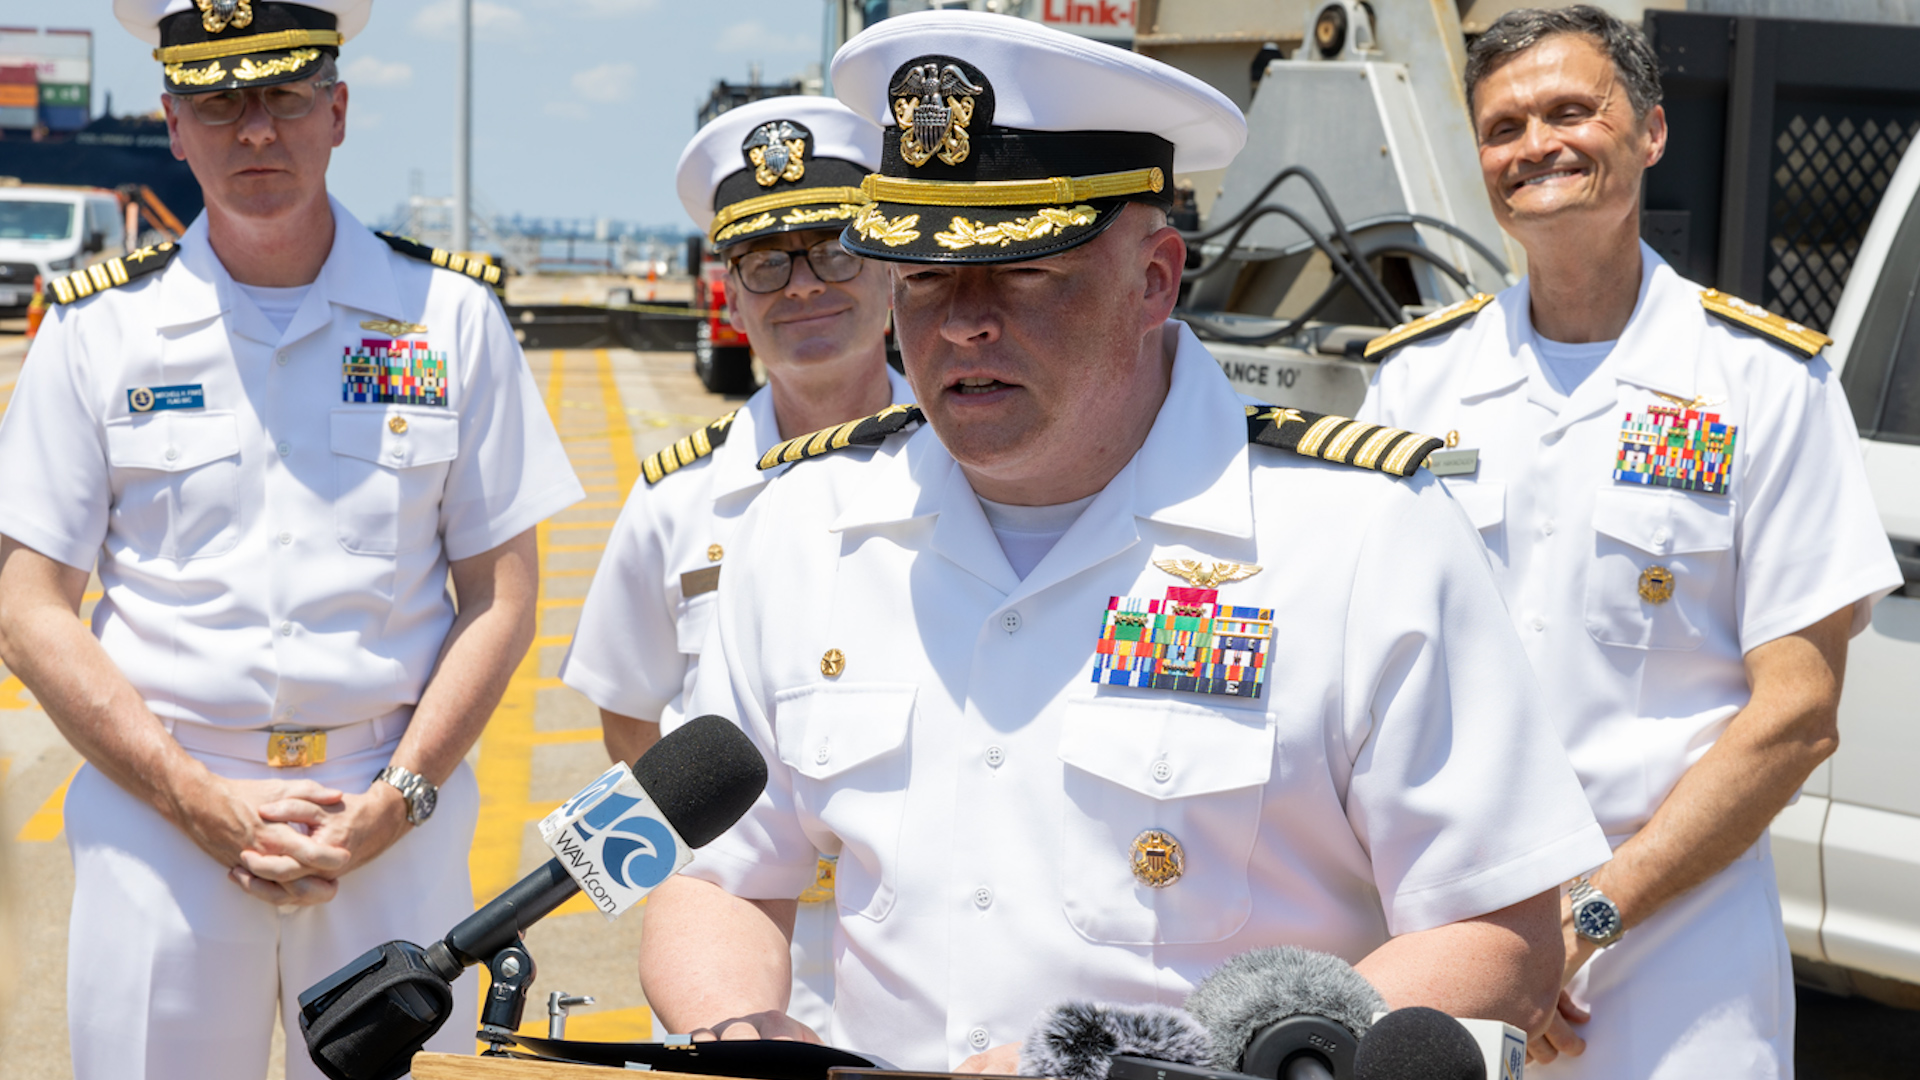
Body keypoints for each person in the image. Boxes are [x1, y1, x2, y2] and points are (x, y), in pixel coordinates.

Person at [636, 11, 1612, 1070]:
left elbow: (1496, 933)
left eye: (1021, 274)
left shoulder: (1365, 535)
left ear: (1154, 277)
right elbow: (713, 879)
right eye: (921, 277)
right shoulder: (801, 528)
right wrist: (741, 1035)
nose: (962, 322)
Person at [0, 3, 582, 1078]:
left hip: (385, 822)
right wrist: (195, 799)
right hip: (157, 825)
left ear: (339, 111)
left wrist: (396, 802)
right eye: (219, 99)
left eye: (283, 93)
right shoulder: (95, 332)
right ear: (173, 123)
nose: (254, 128)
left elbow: (501, 595)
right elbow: (28, 608)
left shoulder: (447, 320)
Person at [1356, 8, 1903, 1078]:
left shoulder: (1763, 384)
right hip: (1453, 943)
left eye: (1571, 110)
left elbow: (1796, 716)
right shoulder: (1413, 381)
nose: (1537, 145)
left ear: (1650, 132)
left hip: (1678, 960)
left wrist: (1584, 918)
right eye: (1505, 126)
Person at [560, 94, 910, 1035]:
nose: (804, 286)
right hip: (731, 939)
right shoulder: (676, 499)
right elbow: (630, 711)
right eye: (765, 262)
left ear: (889, 270)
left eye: (836, 249)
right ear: (733, 291)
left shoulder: (974, 470)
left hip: (914, 930)